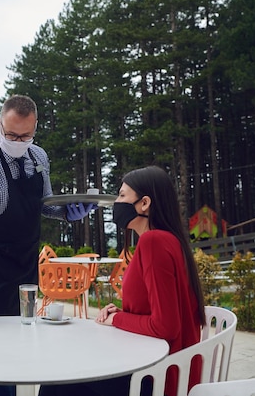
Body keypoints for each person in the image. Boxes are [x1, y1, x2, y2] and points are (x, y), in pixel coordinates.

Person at [39, 165, 206, 396]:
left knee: (58, 381)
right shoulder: (167, 240)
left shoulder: (153, 242)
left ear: (144, 203)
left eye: (122, 195)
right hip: (168, 368)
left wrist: (117, 319)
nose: (116, 202)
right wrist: (123, 313)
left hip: (157, 378)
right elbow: (163, 308)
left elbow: (166, 326)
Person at [0, 94, 96, 319]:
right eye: (11, 135)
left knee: (25, 331)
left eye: (25, 136)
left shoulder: (39, 157)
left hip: (27, 266)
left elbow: (44, 204)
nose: (18, 142)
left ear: (35, 127)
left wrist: (68, 213)